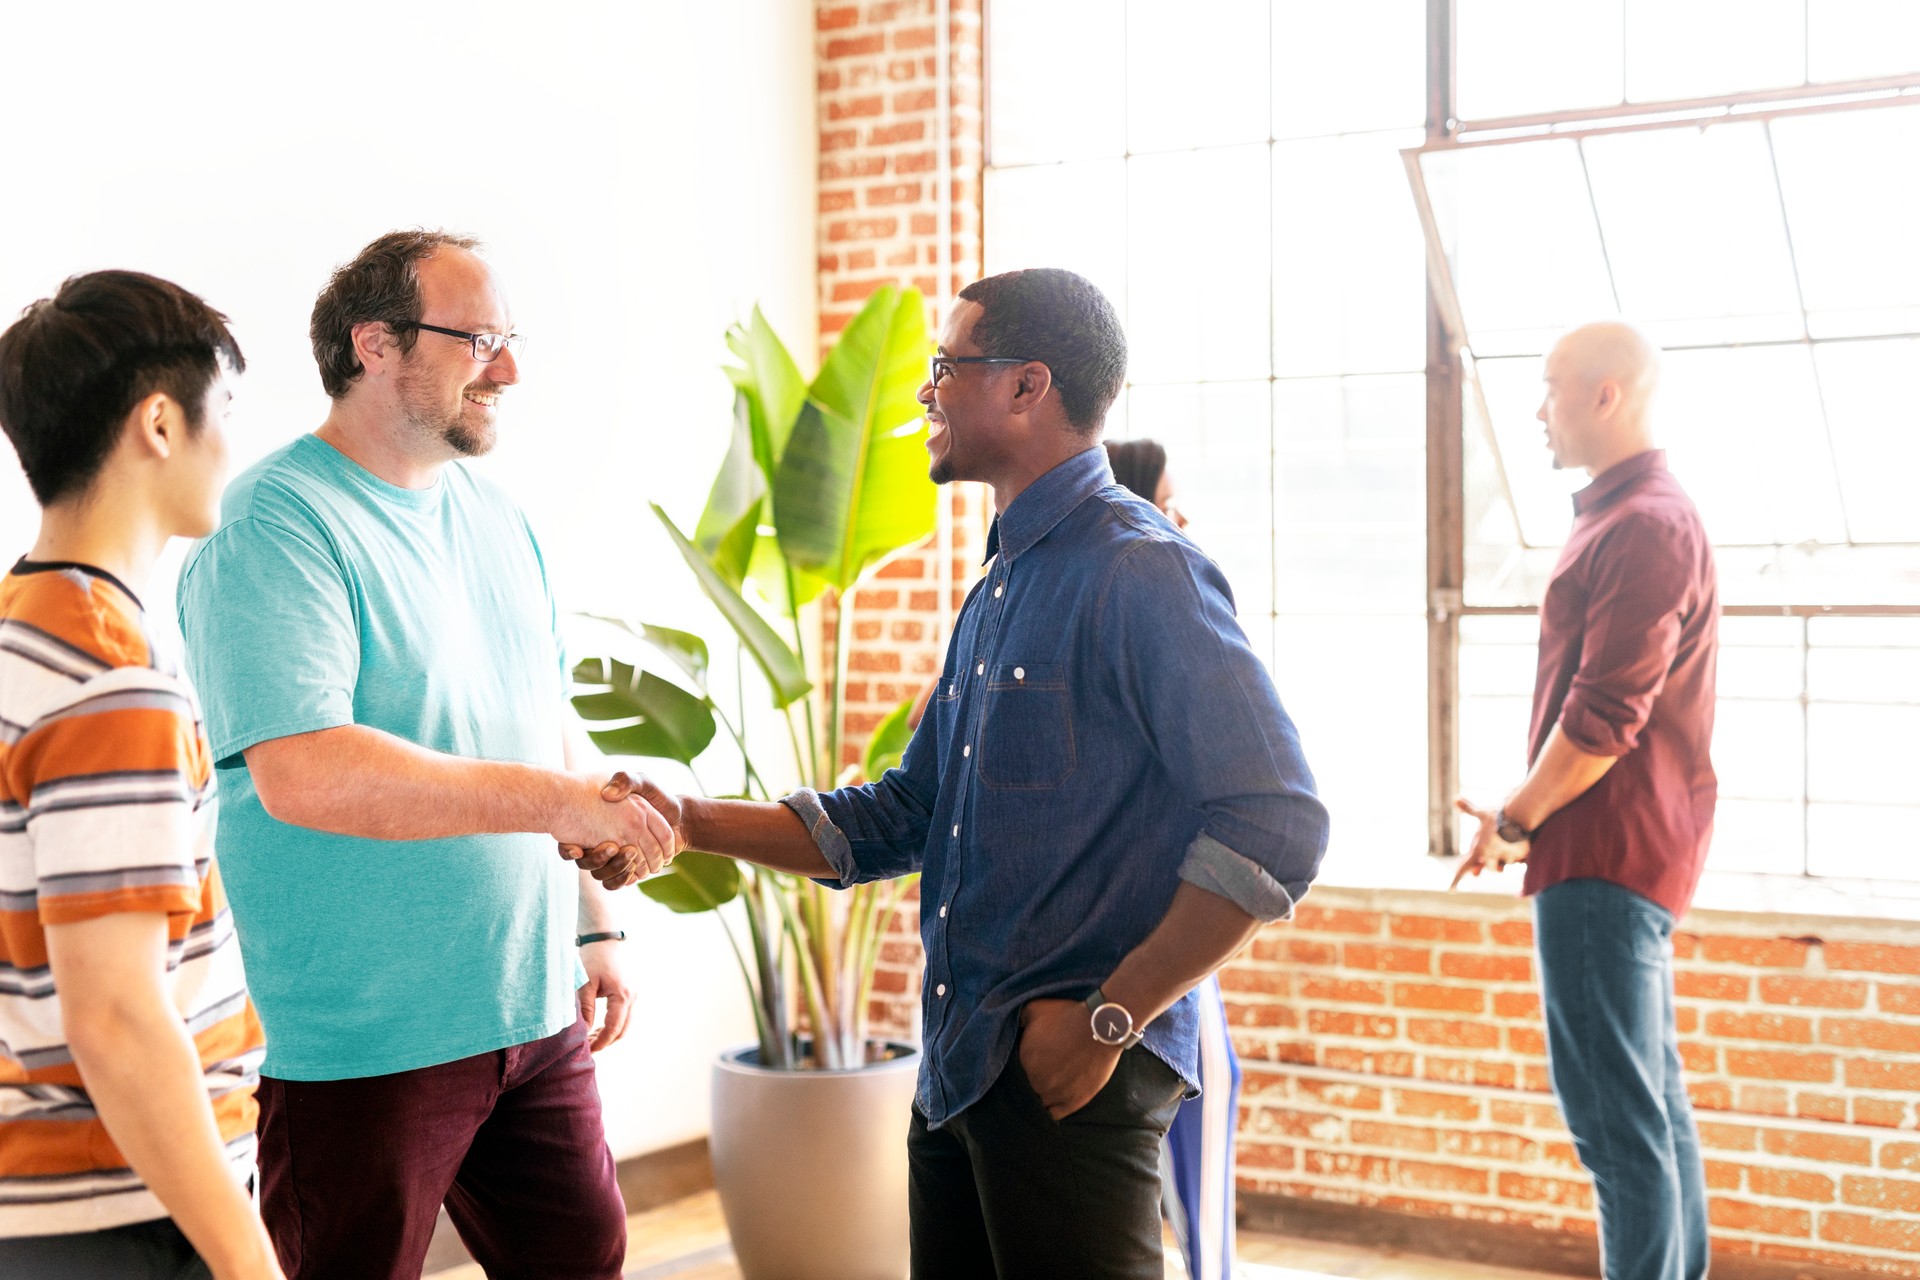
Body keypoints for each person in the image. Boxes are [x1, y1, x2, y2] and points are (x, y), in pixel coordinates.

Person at [582, 268, 1329, 1279]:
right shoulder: (997, 593)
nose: (925, 391)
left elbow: (1278, 819)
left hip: (1071, 1075)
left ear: (1029, 386)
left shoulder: (1139, 569)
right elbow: (903, 814)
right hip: (961, 1067)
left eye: (946, 366)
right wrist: (687, 818)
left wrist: (1110, 1017)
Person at [175, 231, 674, 1280]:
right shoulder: (274, 523)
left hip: (533, 1011)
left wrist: (593, 922)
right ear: (376, 346)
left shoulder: (501, 517)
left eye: (510, 339)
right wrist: (571, 801)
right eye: (479, 339)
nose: (510, 369)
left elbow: (540, 729)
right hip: (361, 1043)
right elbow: (308, 771)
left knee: (587, 1258)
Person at [0, 271, 280, 1278]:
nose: (232, 445)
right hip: (117, 1205)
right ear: (160, 422)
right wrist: (250, 1261)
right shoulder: (107, 679)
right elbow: (116, 1015)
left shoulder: (21, 634)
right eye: (228, 410)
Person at [1452, 321, 1716, 1280]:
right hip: (1617, 852)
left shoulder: (1646, 521)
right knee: (1651, 1108)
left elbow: (1605, 718)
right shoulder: (1625, 514)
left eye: (1552, 387)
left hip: (1607, 857)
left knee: (1618, 1125)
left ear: (1607, 395)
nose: (1537, 409)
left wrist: (1517, 820)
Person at [1104, 437, 1238, 1280]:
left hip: (1159, 944)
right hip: (1155, 949)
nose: (1183, 517)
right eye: (1168, 497)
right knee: (1190, 1136)